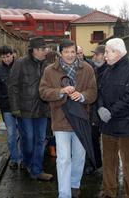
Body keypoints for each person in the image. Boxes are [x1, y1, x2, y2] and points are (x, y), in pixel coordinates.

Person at [39, 39, 97, 198]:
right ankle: (64, 194)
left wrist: (82, 96)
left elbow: (93, 92)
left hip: (80, 119)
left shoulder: (87, 69)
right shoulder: (50, 70)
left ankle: (74, 184)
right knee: (63, 159)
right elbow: (43, 92)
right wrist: (61, 91)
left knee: (79, 157)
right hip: (60, 119)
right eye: (66, 52)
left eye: (73, 51)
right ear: (60, 53)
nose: (70, 55)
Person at [97, 38, 129, 198]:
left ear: (117, 52)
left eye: (107, 52)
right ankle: (109, 192)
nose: (105, 56)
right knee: (109, 163)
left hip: (126, 126)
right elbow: (100, 92)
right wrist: (101, 108)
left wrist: (111, 111)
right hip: (107, 127)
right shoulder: (106, 71)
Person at [8, 36, 53, 181]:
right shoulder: (20, 63)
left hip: (43, 108)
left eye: (44, 49)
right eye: (40, 49)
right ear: (32, 50)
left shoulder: (48, 65)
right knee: (28, 140)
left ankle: (36, 170)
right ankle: (26, 161)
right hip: (25, 109)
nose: (43, 52)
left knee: (40, 140)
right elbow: (13, 86)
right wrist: (15, 108)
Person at [84, 45, 107, 175]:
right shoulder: (96, 70)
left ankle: (110, 165)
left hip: (105, 111)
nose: (93, 57)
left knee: (109, 141)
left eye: (96, 55)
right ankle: (95, 163)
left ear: (104, 55)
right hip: (95, 110)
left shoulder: (107, 70)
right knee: (93, 138)